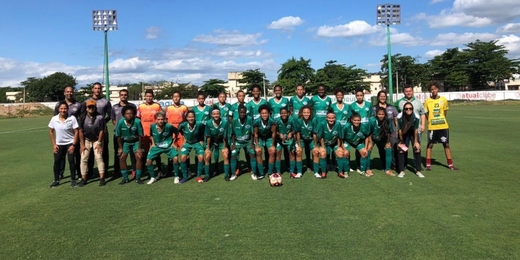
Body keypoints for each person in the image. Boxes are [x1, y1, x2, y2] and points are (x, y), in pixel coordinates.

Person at [424, 81, 458, 171]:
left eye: (435, 89)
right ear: (430, 91)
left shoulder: (443, 100)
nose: (433, 91)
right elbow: (426, 114)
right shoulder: (427, 101)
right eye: (432, 89)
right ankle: (428, 164)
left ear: (438, 89)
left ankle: (450, 165)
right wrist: (431, 121)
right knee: (430, 145)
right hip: (432, 127)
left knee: (446, 144)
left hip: (443, 126)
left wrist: (440, 120)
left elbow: (445, 112)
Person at [81, 82, 112, 177]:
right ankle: (89, 172)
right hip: (89, 131)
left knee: (103, 151)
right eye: (95, 88)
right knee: (88, 153)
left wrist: (101, 124)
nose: (97, 90)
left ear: (101, 89)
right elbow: (82, 116)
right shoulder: (86, 101)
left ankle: (104, 172)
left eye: (99, 88)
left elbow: (110, 115)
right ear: (92, 89)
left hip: (102, 131)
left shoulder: (105, 101)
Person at [54, 86, 82, 181]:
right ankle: (60, 174)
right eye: (67, 92)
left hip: (75, 134)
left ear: (73, 93)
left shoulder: (78, 104)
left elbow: (81, 118)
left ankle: (79, 173)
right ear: (64, 93)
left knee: (76, 156)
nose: (69, 93)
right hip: (63, 136)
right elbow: (56, 118)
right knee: (61, 157)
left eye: (71, 92)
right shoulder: (59, 104)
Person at [48, 101, 79, 187]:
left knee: (71, 161)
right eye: (61, 108)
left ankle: (73, 180)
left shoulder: (72, 118)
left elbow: (76, 132)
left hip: (70, 143)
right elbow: (51, 131)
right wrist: (54, 144)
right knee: (57, 161)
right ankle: (56, 180)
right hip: (59, 144)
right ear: (58, 109)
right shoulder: (54, 119)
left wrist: (73, 145)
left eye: (65, 108)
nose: (63, 110)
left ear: (67, 109)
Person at [145, 111, 179, 184]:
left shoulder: (169, 126)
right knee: (148, 160)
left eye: (162, 119)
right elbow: (151, 135)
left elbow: (177, 132)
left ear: (164, 119)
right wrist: (153, 143)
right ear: (156, 120)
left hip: (168, 146)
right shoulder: (152, 126)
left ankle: (176, 176)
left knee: (175, 158)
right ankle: (152, 177)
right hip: (157, 146)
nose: (160, 121)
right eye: (159, 119)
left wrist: (173, 143)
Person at [78, 100, 106, 187]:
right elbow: (81, 131)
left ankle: (102, 178)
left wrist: (99, 143)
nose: (91, 108)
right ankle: (84, 178)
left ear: (95, 107)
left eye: (92, 107)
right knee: (83, 158)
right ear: (86, 108)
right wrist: (82, 145)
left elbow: (101, 131)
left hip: (97, 140)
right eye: (89, 107)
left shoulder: (100, 117)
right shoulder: (82, 117)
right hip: (86, 140)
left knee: (99, 157)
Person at [115, 105, 144, 184]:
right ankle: (125, 178)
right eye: (127, 113)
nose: (129, 115)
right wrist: (120, 148)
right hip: (125, 142)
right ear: (124, 115)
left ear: (134, 114)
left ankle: (138, 178)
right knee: (122, 157)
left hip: (136, 142)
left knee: (139, 156)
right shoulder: (121, 122)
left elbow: (141, 136)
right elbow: (118, 136)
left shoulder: (137, 122)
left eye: (131, 113)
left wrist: (139, 148)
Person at [111, 89, 137, 179]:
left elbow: (135, 119)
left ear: (128, 96)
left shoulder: (132, 106)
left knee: (133, 153)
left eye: (125, 95)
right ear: (119, 96)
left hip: (130, 134)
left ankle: (134, 170)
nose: (123, 96)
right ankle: (117, 171)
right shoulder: (114, 107)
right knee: (118, 153)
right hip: (118, 135)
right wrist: (119, 129)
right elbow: (113, 119)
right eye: (122, 94)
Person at [137, 89, 163, 177]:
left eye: (150, 96)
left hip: (155, 133)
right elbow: (137, 119)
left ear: (153, 97)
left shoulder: (157, 106)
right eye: (147, 96)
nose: (149, 98)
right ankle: (144, 170)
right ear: (145, 97)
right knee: (144, 152)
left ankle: (160, 170)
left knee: (156, 151)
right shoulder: (141, 107)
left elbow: (161, 118)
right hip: (144, 134)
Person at [372, 90, 399, 170]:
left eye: (384, 96)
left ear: (386, 97)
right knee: (381, 149)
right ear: (378, 97)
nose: (382, 98)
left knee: (393, 147)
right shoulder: (373, 108)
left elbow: (396, 119)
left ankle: (394, 165)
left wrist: (397, 130)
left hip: (391, 132)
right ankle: (384, 165)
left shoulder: (391, 107)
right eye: (381, 96)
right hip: (379, 133)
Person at [397, 102, 424, 178]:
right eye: (406, 108)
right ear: (404, 110)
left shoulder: (416, 117)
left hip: (412, 133)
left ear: (412, 109)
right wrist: (401, 141)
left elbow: (415, 129)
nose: (408, 110)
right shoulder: (400, 117)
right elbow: (399, 130)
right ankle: (401, 170)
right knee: (401, 150)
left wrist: (416, 142)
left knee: (417, 149)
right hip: (403, 134)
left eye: (410, 108)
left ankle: (418, 170)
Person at [348, 88, 373, 173]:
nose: (359, 97)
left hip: (367, 131)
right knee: (358, 147)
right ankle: (358, 165)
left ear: (363, 96)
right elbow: (350, 119)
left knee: (368, 148)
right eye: (357, 96)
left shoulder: (369, 104)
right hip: (357, 131)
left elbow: (370, 117)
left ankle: (367, 167)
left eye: (361, 95)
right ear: (355, 96)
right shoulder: (352, 106)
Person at [165, 90, 189, 177]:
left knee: (185, 151)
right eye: (174, 96)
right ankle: (170, 170)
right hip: (171, 134)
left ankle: (187, 169)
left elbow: (187, 120)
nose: (176, 98)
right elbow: (166, 120)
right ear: (172, 98)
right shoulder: (168, 108)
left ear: (180, 97)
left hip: (181, 133)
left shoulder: (184, 108)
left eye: (177, 96)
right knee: (171, 152)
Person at [340, 113, 371, 178]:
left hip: (357, 142)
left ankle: (362, 171)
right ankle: (346, 171)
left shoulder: (363, 127)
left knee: (364, 153)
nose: (357, 122)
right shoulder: (346, 126)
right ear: (351, 120)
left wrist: (365, 148)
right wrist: (344, 149)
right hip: (347, 141)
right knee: (346, 153)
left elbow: (366, 137)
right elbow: (341, 139)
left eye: (358, 120)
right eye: (355, 120)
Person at [229, 104, 256, 181]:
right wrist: (233, 144)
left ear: (246, 112)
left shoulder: (250, 119)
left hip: (248, 141)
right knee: (233, 155)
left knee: (252, 154)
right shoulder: (234, 120)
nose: (242, 114)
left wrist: (251, 144)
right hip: (237, 142)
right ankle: (233, 174)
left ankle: (254, 173)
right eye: (241, 112)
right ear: (238, 112)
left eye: (244, 112)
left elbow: (252, 133)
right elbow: (232, 133)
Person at [204, 106, 230, 181]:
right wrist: (208, 148)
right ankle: (207, 175)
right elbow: (208, 137)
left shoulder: (225, 122)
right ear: (212, 115)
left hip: (221, 140)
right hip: (211, 141)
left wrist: (225, 147)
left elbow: (225, 136)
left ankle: (226, 175)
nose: (216, 115)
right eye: (214, 114)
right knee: (207, 155)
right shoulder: (208, 123)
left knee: (225, 154)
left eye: (217, 114)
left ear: (220, 114)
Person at [178, 110, 205, 183]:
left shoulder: (199, 124)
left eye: (192, 117)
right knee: (182, 157)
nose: (191, 118)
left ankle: (199, 176)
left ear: (195, 117)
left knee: (201, 157)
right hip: (187, 143)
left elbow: (203, 131)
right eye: (189, 117)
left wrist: (201, 140)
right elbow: (180, 131)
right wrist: (184, 138)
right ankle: (185, 177)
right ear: (186, 118)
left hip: (196, 142)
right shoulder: (183, 125)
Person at [368, 107, 395, 176]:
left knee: (388, 149)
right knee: (368, 149)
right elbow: (369, 133)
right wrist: (370, 143)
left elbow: (389, 132)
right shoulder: (372, 120)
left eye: (382, 114)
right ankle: (367, 169)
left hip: (383, 139)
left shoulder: (388, 120)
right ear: (376, 114)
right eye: (379, 114)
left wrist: (387, 142)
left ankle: (387, 169)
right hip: (373, 138)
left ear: (385, 114)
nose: (381, 116)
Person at [294, 105, 319, 178]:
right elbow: (298, 134)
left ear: (310, 113)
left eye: (308, 112)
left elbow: (315, 134)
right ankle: (299, 172)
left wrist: (316, 146)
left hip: (311, 139)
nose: (306, 114)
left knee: (316, 152)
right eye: (304, 112)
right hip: (301, 139)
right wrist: (299, 146)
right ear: (301, 113)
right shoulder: (298, 120)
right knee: (298, 152)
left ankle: (316, 172)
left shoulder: (314, 120)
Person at [253, 104, 277, 180]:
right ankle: (261, 173)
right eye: (262, 113)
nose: (264, 115)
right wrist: (256, 145)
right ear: (260, 114)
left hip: (268, 137)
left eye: (266, 113)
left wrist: (273, 145)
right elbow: (256, 134)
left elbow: (273, 133)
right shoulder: (256, 121)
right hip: (260, 137)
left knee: (272, 151)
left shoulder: (272, 121)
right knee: (258, 151)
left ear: (269, 113)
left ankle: (270, 172)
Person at [316, 110, 343, 178]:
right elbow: (321, 137)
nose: (331, 119)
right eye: (329, 118)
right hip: (324, 143)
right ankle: (323, 172)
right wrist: (322, 146)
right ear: (326, 118)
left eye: (333, 118)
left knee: (340, 152)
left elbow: (339, 137)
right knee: (322, 153)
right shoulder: (322, 124)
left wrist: (338, 146)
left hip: (334, 143)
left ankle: (340, 172)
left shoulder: (338, 124)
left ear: (335, 118)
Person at [275, 107, 296, 175]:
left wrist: (291, 133)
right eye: (282, 113)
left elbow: (295, 130)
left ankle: (292, 171)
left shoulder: (292, 120)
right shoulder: (277, 121)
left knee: (291, 153)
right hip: (279, 140)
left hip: (289, 140)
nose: (283, 114)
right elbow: (273, 131)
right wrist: (279, 134)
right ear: (280, 114)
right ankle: (278, 171)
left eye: (285, 113)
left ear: (288, 113)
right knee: (278, 152)